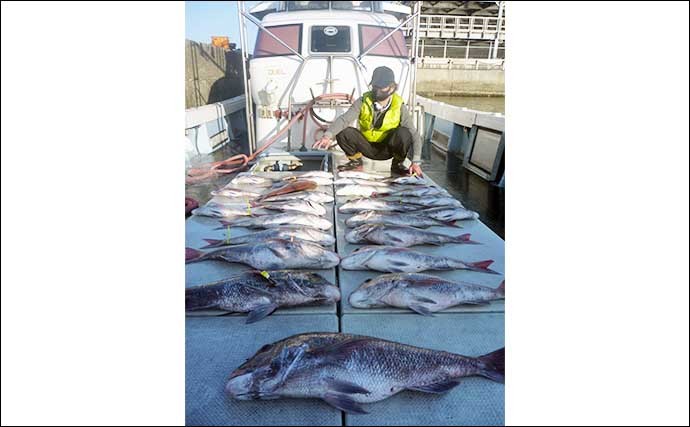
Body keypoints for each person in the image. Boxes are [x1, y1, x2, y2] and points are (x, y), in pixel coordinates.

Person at [312, 66, 423, 176]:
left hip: (387, 149)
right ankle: (356, 161)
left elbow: (414, 134)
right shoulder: (362, 101)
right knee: (344, 131)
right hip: (366, 147)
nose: (378, 91)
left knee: (404, 133)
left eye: (382, 87)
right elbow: (344, 119)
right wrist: (327, 136)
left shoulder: (399, 106)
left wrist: (416, 161)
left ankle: (397, 164)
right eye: (375, 86)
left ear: (392, 88)